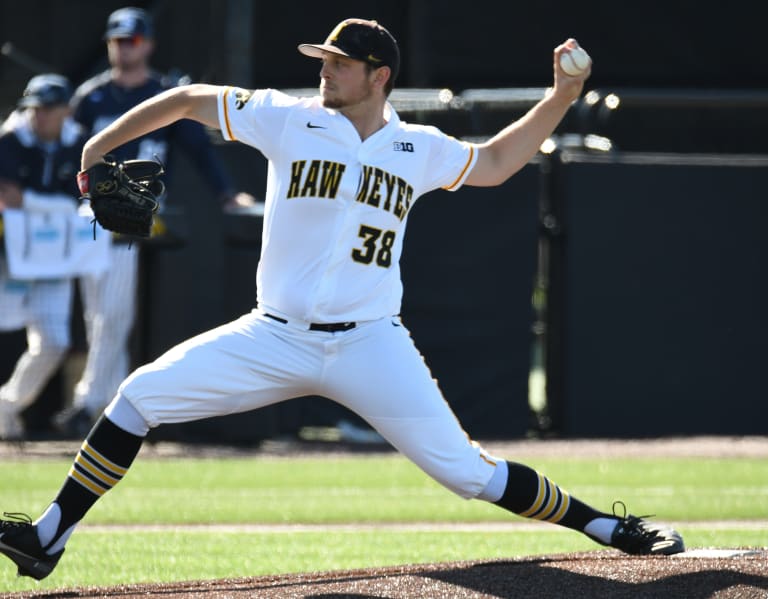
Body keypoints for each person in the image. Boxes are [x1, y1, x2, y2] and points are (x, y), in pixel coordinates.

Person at [0, 18, 684, 580]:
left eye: (340, 63)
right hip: (272, 335)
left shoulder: (418, 146)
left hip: (369, 341)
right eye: (324, 61)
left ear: (378, 75)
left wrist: (562, 94)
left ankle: (608, 525)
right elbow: (185, 100)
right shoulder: (285, 118)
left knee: (469, 474)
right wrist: (98, 141)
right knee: (137, 397)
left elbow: (500, 162)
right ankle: (48, 536)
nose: (325, 72)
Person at [52, 6, 258, 438]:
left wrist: (225, 193)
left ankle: (93, 402)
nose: (125, 49)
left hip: (136, 212)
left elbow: (200, 152)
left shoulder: (162, 95)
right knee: (99, 316)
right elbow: (66, 160)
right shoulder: (91, 97)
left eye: (133, 41)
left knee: (113, 315)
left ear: (148, 44)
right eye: (118, 41)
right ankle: (110, 407)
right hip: (92, 214)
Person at [0, 74, 90, 440]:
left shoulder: (81, 144)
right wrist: (50, 207)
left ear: (65, 111)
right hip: (10, 257)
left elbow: (78, 204)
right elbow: (7, 197)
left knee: (53, 341)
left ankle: (6, 406)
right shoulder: (9, 139)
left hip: (56, 259)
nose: (39, 116)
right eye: (34, 109)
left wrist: (33, 204)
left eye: (48, 109)